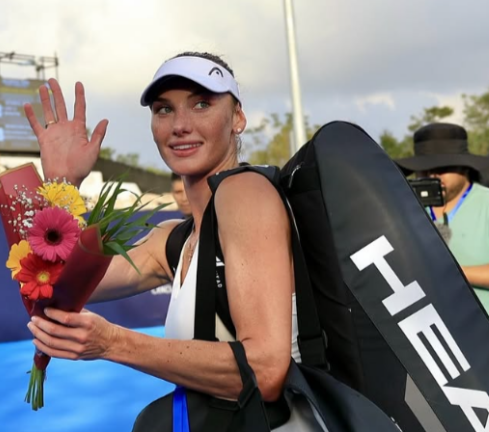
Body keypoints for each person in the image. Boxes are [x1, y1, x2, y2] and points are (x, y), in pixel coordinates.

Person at [24, 52, 314, 429]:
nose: (180, 125)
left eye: (202, 104)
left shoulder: (245, 193)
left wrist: (112, 342)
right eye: (164, 110)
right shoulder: (174, 240)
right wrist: (62, 185)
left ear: (237, 118)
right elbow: (52, 285)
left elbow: (265, 371)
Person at [395, 122, 489, 381]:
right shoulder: (403, 212)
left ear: (465, 167)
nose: (432, 175)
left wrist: (453, 272)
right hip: (432, 366)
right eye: (423, 169)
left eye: (443, 168)